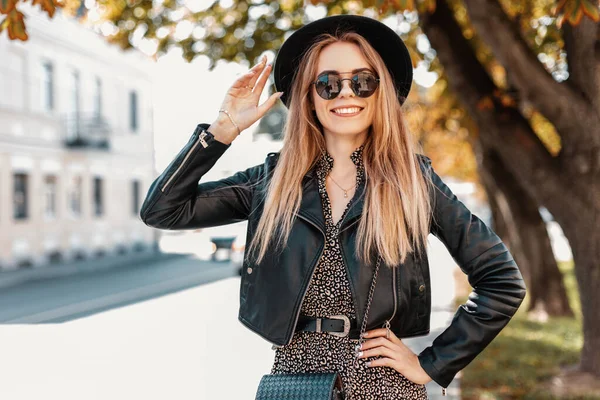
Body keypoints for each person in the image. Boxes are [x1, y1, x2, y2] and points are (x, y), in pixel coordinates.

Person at [140, 14, 527, 399]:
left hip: (385, 386)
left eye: (362, 82)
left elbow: (502, 281)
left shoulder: (414, 182)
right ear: (308, 96)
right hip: (296, 383)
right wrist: (223, 129)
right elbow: (163, 209)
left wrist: (432, 363)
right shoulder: (272, 182)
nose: (346, 93)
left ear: (381, 93)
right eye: (327, 83)